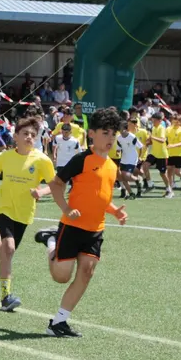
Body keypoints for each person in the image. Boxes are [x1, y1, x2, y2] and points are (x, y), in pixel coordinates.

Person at [34, 108, 127, 337]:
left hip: (95, 230)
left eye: (113, 134)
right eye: (105, 133)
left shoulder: (113, 167)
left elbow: (102, 198)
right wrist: (65, 208)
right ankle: (51, 241)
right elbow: (57, 184)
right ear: (92, 134)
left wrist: (115, 211)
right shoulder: (81, 160)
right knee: (61, 276)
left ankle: (59, 323)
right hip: (72, 226)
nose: (110, 138)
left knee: (86, 272)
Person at [0, 117, 55, 311]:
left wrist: (41, 192)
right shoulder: (4, 156)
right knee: (9, 249)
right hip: (5, 207)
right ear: (15, 136)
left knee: (5, 253)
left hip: (24, 213)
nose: (29, 137)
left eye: (33, 134)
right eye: (25, 134)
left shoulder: (42, 160)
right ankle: (6, 296)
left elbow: (55, 186)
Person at [143, 112, 171, 197]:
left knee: (162, 173)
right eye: (152, 119)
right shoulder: (154, 128)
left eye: (154, 120)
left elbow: (162, 140)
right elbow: (153, 140)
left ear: (159, 120)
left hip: (162, 154)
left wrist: (152, 137)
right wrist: (148, 142)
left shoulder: (161, 128)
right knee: (145, 165)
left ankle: (169, 190)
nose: (153, 121)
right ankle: (150, 184)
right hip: (154, 153)